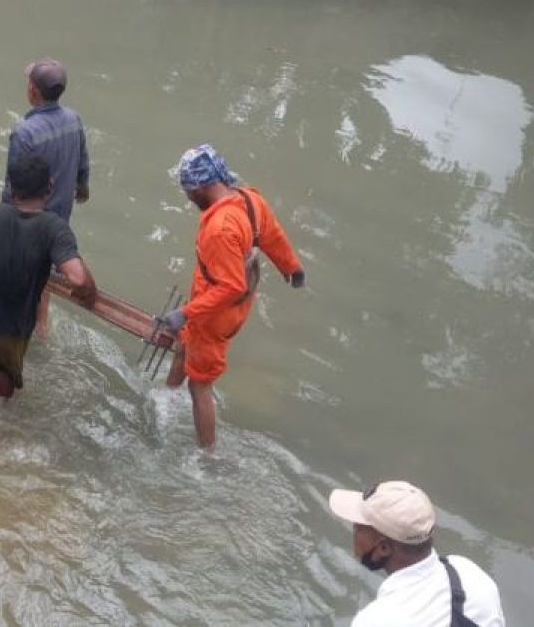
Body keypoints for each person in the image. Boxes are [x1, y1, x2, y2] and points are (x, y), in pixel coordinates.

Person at [159, 143, 304, 450]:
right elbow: (273, 234)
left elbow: (229, 288)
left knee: (200, 383)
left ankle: (206, 453)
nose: (186, 197)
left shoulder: (220, 229)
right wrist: (291, 266)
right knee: (187, 342)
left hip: (218, 312)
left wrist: (185, 312)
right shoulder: (250, 200)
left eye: (188, 190)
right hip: (236, 299)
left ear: (202, 186)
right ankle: (168, 393)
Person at [0, 152, 97, 437]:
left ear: (11, 186)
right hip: (16, 327)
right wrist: (89, 291)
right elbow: (78, 278)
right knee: (8, 373)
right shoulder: (54, 228)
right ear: (49, 187)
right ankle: (4, 411)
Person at [329, 480, 506, 626]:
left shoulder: (376, 620)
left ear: (384, 547)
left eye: (359, 527)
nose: (352, 529)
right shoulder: (471, 575)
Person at [0, 58, 90, 338]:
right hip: (60, 213)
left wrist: (3, 223)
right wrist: (83, 187)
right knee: (45, 270)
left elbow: (13, 185)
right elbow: (83, 161)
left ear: (34, 91)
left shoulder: (25, 132)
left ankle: (18, 327)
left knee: (19, 274)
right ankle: (42, 327)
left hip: (29, 217)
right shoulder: (74, 119)